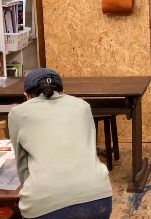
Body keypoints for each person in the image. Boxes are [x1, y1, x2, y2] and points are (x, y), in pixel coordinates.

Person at [8, 68, 112, 219]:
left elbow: (22, 164)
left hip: (45, 206)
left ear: (26, 96)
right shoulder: (83, 106)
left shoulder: (17, 113)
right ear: (62, 92)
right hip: (99, 197)